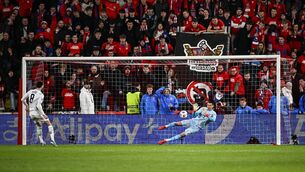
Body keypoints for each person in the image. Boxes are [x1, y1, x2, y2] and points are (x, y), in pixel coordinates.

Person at [21, 81, 57, 146]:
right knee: (49, 124)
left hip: (31, 113)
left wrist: (27, 105)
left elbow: (22, 99)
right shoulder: (40, 94)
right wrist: (43, 114)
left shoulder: (30, 91)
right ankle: (52, 140)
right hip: (37, 112)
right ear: (42, 86)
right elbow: (38, 105)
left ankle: (41, 141)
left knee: (39, 125)